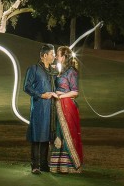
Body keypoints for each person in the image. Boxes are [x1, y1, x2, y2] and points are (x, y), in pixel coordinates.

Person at [23, 43, 57, 174]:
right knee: (37, 135)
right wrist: (41, 95)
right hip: (38, 107)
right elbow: (26, 86)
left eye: (54, 54)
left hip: (50, 108)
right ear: (44, 55)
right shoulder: (34, 69)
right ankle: (35, 165)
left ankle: (44, 164)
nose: (54, 56)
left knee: (46, 135)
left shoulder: (52, 71)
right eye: (52, 54)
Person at [49, 45, 83, 173]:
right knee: (59, 133)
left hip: (67, 106)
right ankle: (58, 166)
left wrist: (61, 95)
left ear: (64, 57)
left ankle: (70, 166)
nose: (57, 57)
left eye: (58, 55)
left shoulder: (72, 72)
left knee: (67, 133)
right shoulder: (60, 71)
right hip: (58, 105)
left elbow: (75, 92)